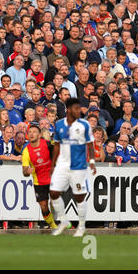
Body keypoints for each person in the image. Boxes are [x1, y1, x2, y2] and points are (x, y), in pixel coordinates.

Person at [49, 98, 97, 237]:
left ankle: (81, 226)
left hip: (79, 166)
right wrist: (53, 164)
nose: (79, 111)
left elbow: (90, 144)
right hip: (62, 165)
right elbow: (57, 145)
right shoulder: (59, 125)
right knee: (53, 193)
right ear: (69, 109)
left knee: (79, 196)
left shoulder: (84, 125)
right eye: (76, 108)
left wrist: (92, 161)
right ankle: (63, 221)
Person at [22, 124, 58, 229]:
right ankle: (53, 225)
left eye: (34, 132)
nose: (32, 134)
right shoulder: (26, 151)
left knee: (55, 200)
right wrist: (27, 171)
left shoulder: (47, 144)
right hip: (39, 182)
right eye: (30, 132)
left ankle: (57, 222)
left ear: (39, 135)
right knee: (43, 207)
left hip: (52, 178)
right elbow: (24, 171)